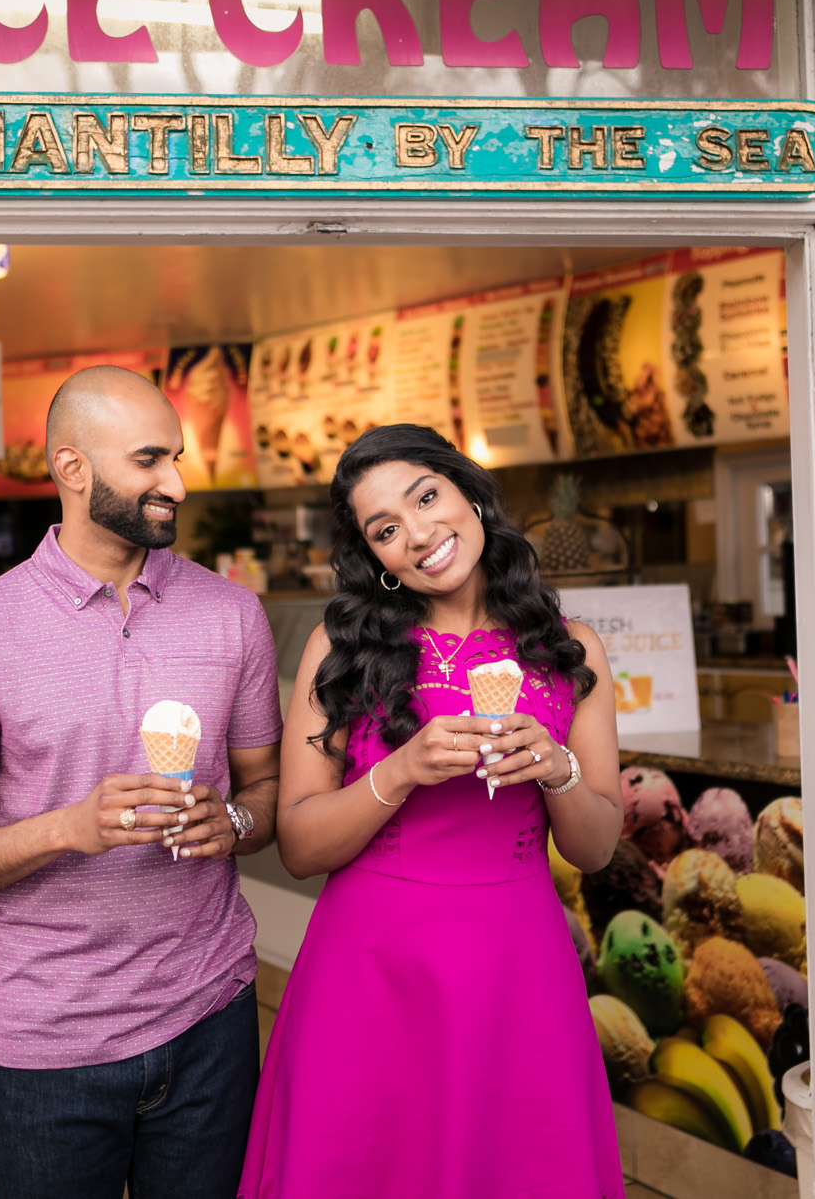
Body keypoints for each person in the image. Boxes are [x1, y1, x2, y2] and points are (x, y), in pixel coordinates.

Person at [0, 365, 282, 1199]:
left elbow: (267, 787)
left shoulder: (233, 615)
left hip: (211, 1017)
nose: (176, 482)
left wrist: (240, 823)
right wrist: (68, 827)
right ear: (74, 469)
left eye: (177, 458)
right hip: (49, 1040)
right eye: (150, 459)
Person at [241, 423, 626, 1198]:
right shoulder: (341, 646)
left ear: (470, 492)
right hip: (369, 970)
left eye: (427, 496)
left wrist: (557, 770)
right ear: (373, 556)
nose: (419, 534)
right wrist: (402, 771)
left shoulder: (569, 650)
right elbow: (300, 845)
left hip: (518, 971)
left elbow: (597, 848)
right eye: (386, 528)